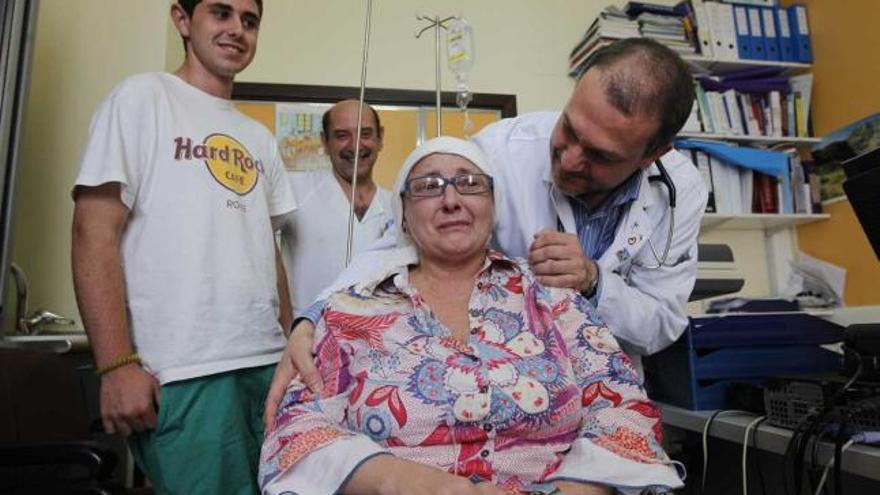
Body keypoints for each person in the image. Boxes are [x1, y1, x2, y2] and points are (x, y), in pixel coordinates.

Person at [265, 37, 708, 425]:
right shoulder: (501, 152)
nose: (570, 160)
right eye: (568, 129)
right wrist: (314, 317)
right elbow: (389, 246)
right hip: (505, 395)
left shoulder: (680, 190)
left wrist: (594, 283)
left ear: (654, 154)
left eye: (601, 155)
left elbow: (660, 325)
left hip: (602, 392)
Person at [260, 137, 683, 495]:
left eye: (469, 184)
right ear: (403, 214)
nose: (451, 200)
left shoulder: (555, 303)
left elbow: (624, 406)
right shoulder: (349, 313)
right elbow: (298, 430)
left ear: (492, 205)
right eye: (428, 187)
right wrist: (420, 484)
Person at [71, 1, 296, 493]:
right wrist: (116, 364)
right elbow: (94, 231)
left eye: (249, 20)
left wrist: (289, 346)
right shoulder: (142, 98)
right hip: (187, 370)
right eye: (221, 13)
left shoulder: (258, 137)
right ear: (181, 20)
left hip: (267, 365)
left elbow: (269, 251)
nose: (237, 29)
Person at [280, 100, 392, 314]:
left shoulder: (397, 204)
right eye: (342, 135)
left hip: (377, 341)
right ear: (325, 141)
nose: (355, 145)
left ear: (380, 139)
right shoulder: (294, 190)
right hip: (308, 338)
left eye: (366, 134)